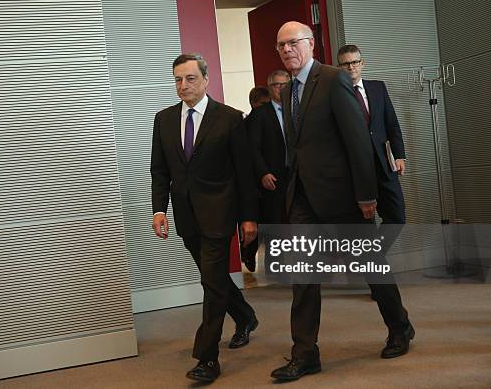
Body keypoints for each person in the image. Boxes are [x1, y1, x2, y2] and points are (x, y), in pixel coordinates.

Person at [270, 22, 414, 381]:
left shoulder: (334, 79)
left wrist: (367, 194)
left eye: (293, 42)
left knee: (371, 269)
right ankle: (305, 354)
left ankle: (400, 327)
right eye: (280, 45)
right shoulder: (287, 91)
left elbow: (358, 142)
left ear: (311, 44)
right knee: (302, 276)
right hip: (302, 198)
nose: (287, 49)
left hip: (342, 198)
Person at [150, 53, 260, 383]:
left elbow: (244, 173)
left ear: (206, 79)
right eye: (178, 80)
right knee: (213, 279)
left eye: (190, 78)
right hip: (186, 216)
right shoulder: (164, 119)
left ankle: (208, 358)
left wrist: (248, 218)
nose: (183, 86)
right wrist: (159, 209)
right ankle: (246, 316)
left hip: (219, 214)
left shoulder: (229, 118)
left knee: (211, 285)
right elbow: (160, 171)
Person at [337, 44, 406, 224]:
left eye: (354, 62)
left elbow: (392, 123)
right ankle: (371, 251)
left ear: (362, 63)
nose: (351, 67)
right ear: (339, 68)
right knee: (364, 223)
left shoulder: (378, 88)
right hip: (355, 169)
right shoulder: (335, 95)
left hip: (383, 163)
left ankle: (375, 253)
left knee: (397, 217)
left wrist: (399, 156)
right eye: (345, 64)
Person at [247, 70, 290, 223]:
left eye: (285, 84)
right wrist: (263, 172)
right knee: (277, 226)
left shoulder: (299, 110)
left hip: (300, 177)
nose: (281, 88)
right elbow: (253, 148)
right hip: (274, 178)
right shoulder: (260, 114)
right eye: (276, 85)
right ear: (270, 88)